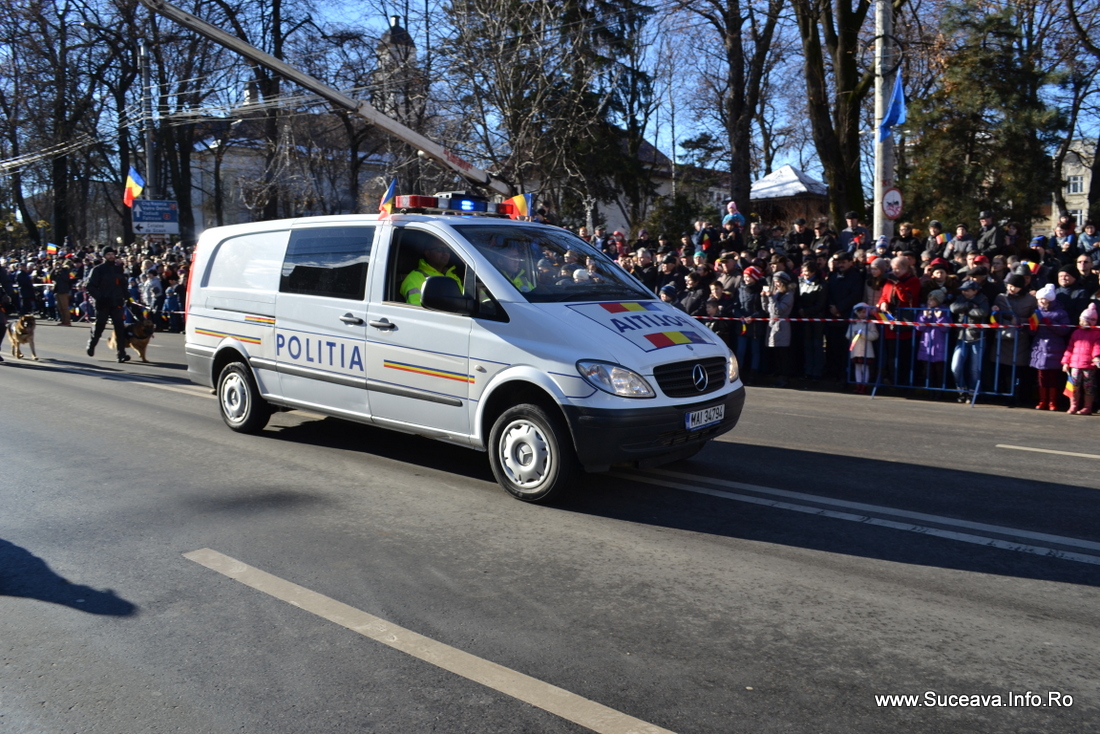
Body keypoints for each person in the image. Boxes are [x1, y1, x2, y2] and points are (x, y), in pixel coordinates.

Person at [990, 272, 1038, 405]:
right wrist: (996, 312)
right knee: (1002, 368)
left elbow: (1034, 318)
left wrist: (1020, 320)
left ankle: (1017, 396)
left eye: (1015, 286)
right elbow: (994, 318)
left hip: (1020, 338)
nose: (1011, 289)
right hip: (1003, 337)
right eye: (1009, 285)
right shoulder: (1001, 297)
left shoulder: (1030, 300)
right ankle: (1002, 395)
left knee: (1017, 369)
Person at [877, 255, 922, 387]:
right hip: (891, 322)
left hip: (906, 325)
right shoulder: (889, 281)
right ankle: (893, 380)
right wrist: (883, 303)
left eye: (898, 269)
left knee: (905, 356)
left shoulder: (913, 281)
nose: (895, 271)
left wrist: (898, 283)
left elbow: (905, 298)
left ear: (905, 268)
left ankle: (905, 383)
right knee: (892, 355)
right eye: (893, 268)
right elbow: (884, 295)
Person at [84, 246, 131, 362]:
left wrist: (128, 298)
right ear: (104, 256)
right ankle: (92, 344)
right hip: (103, 303)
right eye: (108, 254)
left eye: (112, 254)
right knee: (100, 326)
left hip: (117, 302)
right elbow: (90, 286)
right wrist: (100, 297)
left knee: (120, 328)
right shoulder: (98, 270)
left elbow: (123, 286)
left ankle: (121, 353)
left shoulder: (118, 269)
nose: (111, 256)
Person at [1030, 284, 1071, 410]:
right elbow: (1031, 332)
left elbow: (1064, 330)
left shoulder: (1060, 313)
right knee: (1041, 376)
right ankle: (1042, 400)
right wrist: (1033, 325)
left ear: (1050, 299)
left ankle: (1053, 401)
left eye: (1044, 299)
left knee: (1053, 376)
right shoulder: (1036, 312)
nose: (1042, 301)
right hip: (1039, 347)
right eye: (1039, 299)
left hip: (1054, 347)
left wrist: (1051, 323)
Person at [950, 280, 990, 402]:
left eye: (967, 290)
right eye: (963, 290)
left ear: (975, 291)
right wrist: (969, 305)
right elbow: (953, 308)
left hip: (977, 337)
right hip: (961, 337)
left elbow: (982, 312)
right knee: (955, 367)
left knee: (974, 369)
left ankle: (973, 393)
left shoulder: (983, 299)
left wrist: (965, 310)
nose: (964, 292)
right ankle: (961, 390)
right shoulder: (960, 298)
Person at [1061, 302, 1100, 415]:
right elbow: (1070, 348)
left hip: (1089, 365)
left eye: (1084, 321)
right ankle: (1073, 406)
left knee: (1088, 386)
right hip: (1075, 365)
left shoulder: (1097, 334)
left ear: (1091, 322)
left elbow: (1097, 347)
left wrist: (1096, 357)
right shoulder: (1076, 333)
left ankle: (1087, 407)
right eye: (1080, 320)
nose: (1081, 323)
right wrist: (1065, 362)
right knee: (1074, 386)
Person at [761, 270, 795, 387]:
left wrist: (771, 297)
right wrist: (763, 297)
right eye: (775, 282)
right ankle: (778, 376)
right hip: (772, 325)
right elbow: (767, 309)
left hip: (782, 326)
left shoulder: (788, 295)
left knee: (782, 354)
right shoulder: (776, 293)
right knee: (776, 354)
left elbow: (778, 310)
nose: (776, 284)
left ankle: (784, 377)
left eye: (778, 282)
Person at [916, 289, 952, 389]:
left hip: (939, 345)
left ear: (938, 301)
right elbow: (919, 327)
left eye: (932, 300)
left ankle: (939, 391)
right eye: (929, 299)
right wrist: (925, 316)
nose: (929, 302)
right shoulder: (924, 310)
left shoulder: (945, 311)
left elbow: (946, 328)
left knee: (939, 370)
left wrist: (940, 318)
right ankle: (930, 390)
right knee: (928, 371)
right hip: (926, 344)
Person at [847, 303, 879, 393]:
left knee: (865, 368)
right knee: (857, 367)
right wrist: (854, 333)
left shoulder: (870, 323)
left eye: (864, 312)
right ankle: (858, 384)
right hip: (856, 350)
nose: (862, 314)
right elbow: (847, 335)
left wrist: (863, 334)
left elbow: (875, 335)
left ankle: (864, 385)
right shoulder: (853, 323)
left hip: (866, 350)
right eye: (860, 312)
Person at [51, 260, 73, 325]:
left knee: (64, 307)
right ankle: (63, 320)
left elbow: (66, 279)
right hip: (57, 290)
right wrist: (54, 269)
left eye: (58, 264)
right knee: (60, 307)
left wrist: (61, 271)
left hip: (63, 290)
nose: (57, 266)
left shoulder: (65, 270)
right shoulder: (55, 271)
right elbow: (51, 277)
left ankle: (67, 321)